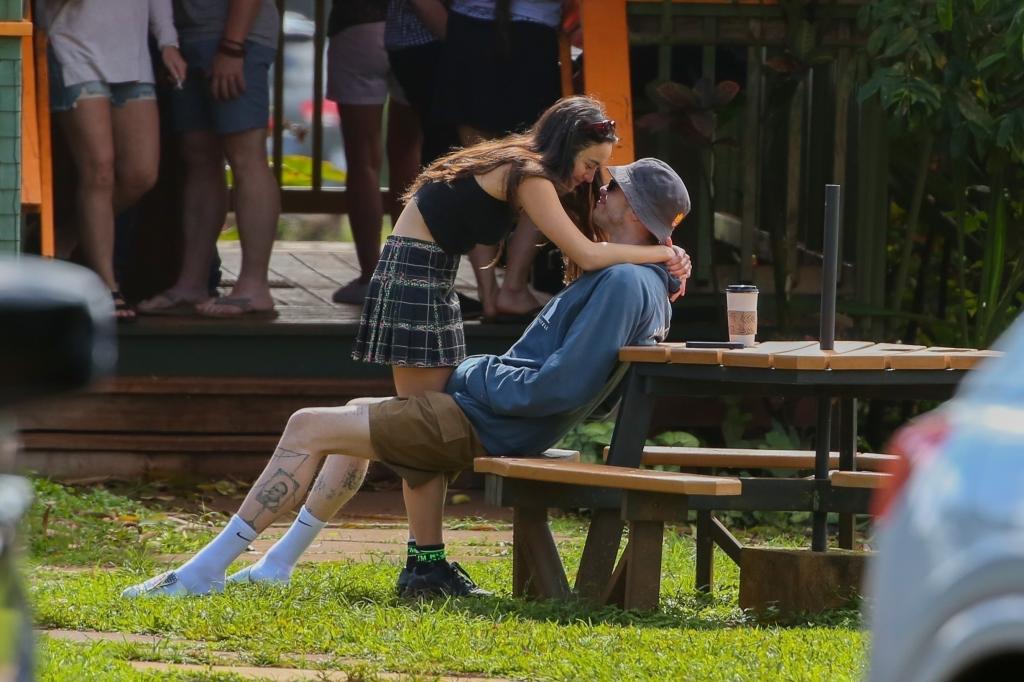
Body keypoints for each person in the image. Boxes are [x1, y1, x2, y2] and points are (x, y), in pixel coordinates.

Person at [122, 157, 692, 599]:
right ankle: (275, 564)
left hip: (489, 423)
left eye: (613, 187)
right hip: (494, 418)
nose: (602, 190)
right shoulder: (632, 276)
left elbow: (560, 389)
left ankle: (201, 572)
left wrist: (470, 374)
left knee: (306, 426)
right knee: (350, 416)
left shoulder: (622, 284)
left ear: (636, 213)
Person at [42, 0, 187, 322]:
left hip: (132, 56)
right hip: (73, 47)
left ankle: (65, 237)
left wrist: (168, 43)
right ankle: (107, 286)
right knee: (99, 171)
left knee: (141, 174)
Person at [137, 0, 281, 318]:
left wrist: (233, 46)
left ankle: (254, 286)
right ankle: (191, 283)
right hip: (189, 37)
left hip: (238, 38)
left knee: (246, 157)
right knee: (199, 159)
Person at [433, 0, 566, 321]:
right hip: (532, 35)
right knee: (543, 168)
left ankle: (488, 293)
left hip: (467, 31)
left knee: (479, 172)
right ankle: (515, 286)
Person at [326, 0, 423, 305]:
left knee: (362, 161)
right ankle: (407, 272)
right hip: (415, 32)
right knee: (409, 154)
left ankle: (370, 275)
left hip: (357, 25)